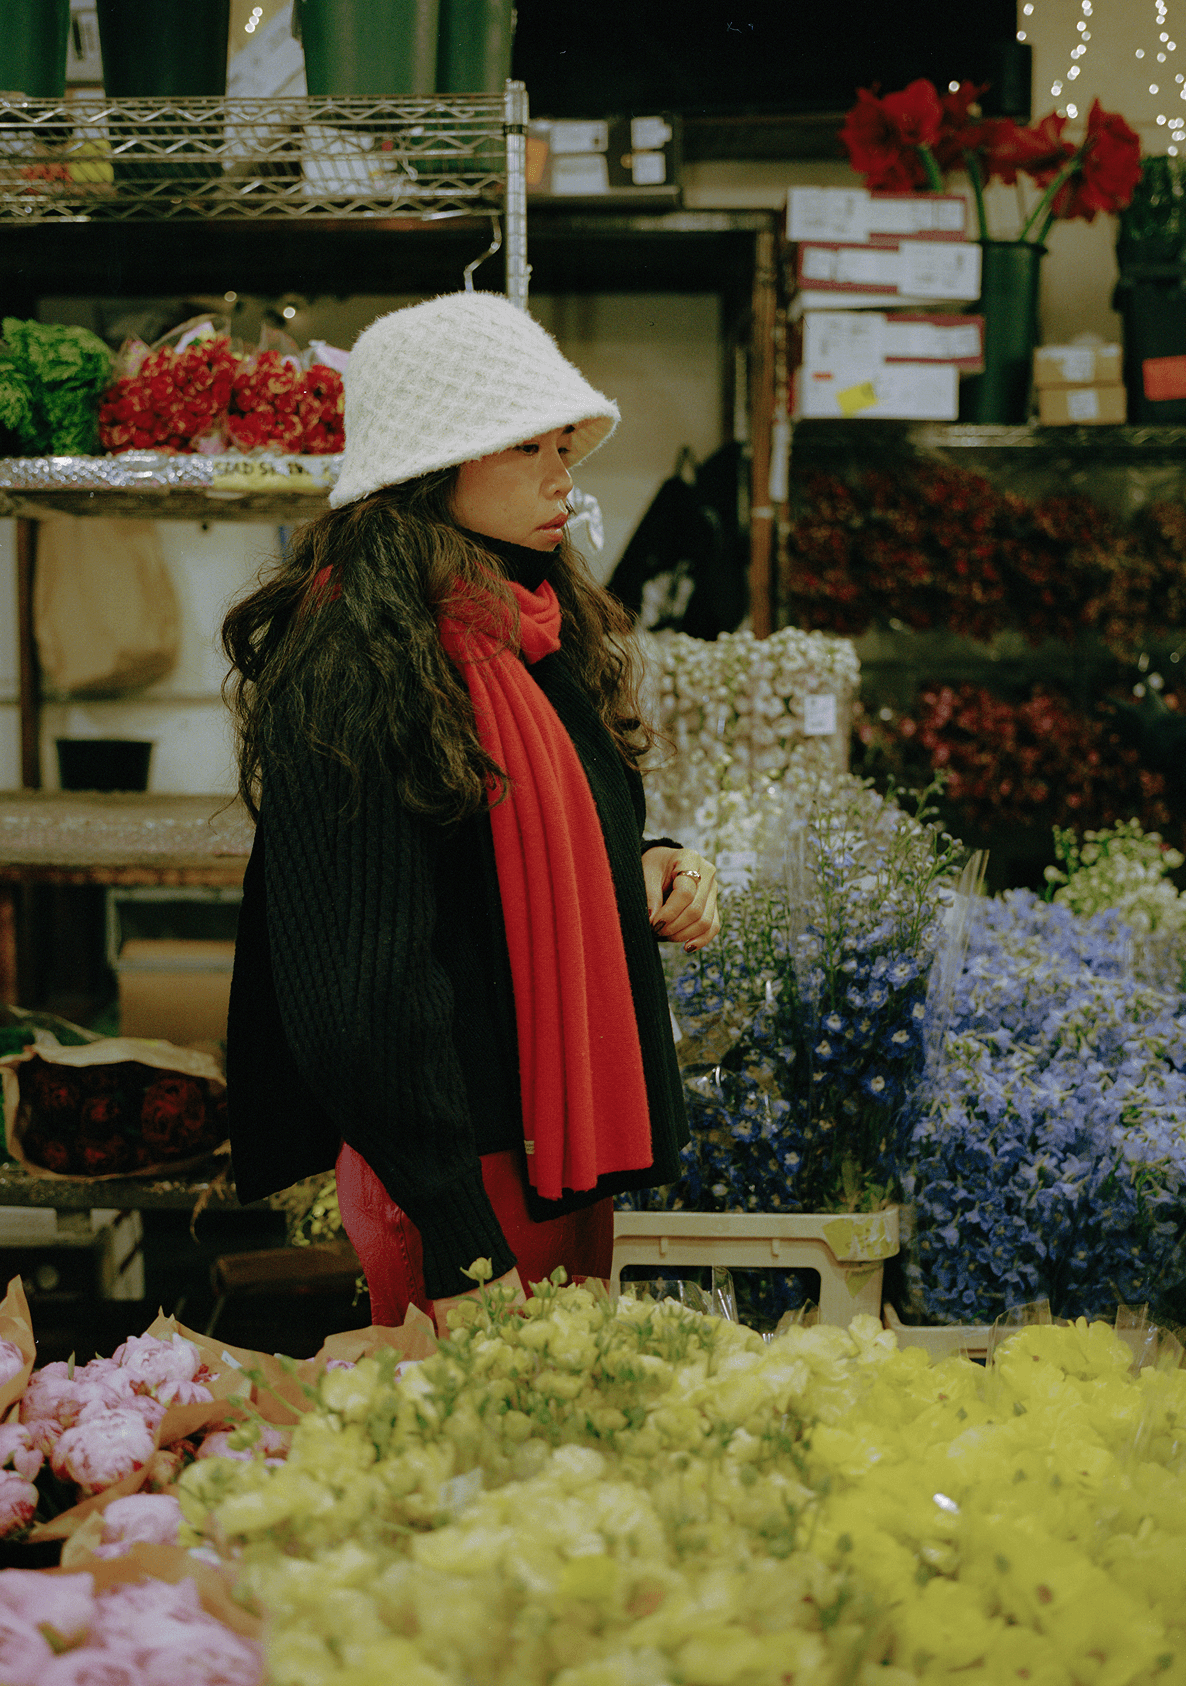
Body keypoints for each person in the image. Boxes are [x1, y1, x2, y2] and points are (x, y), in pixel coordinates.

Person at [221, 292, 718, 1331]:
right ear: (435, 462)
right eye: (525, 447)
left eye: (562, 445)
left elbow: (559, 835)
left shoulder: (529, 622)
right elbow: (356, 998)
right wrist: (461, 1242)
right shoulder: (358, 661)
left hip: (552, 1146)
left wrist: (652, 864)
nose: (561, 476)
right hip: (452, 1174)